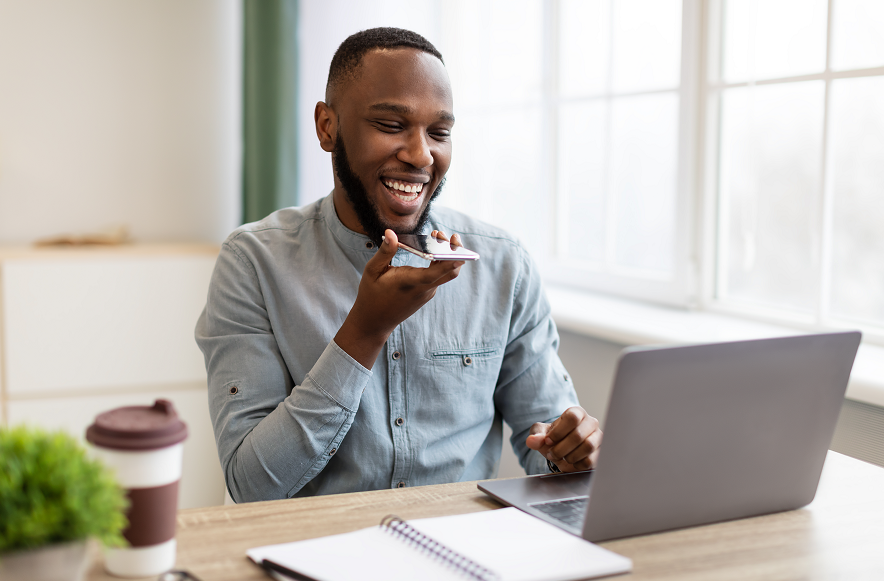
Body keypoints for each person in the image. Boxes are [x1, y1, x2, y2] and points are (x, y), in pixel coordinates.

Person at [196, 27, 602, 503]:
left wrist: (570, 451)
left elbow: (547, 448)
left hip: (460, 554)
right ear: (328, 127)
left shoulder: (502, 264)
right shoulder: (253, 264)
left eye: (440, 133)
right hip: (316, 554)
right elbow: (252, 486)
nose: (421, 155)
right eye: (390, 126)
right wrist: (365, 330)